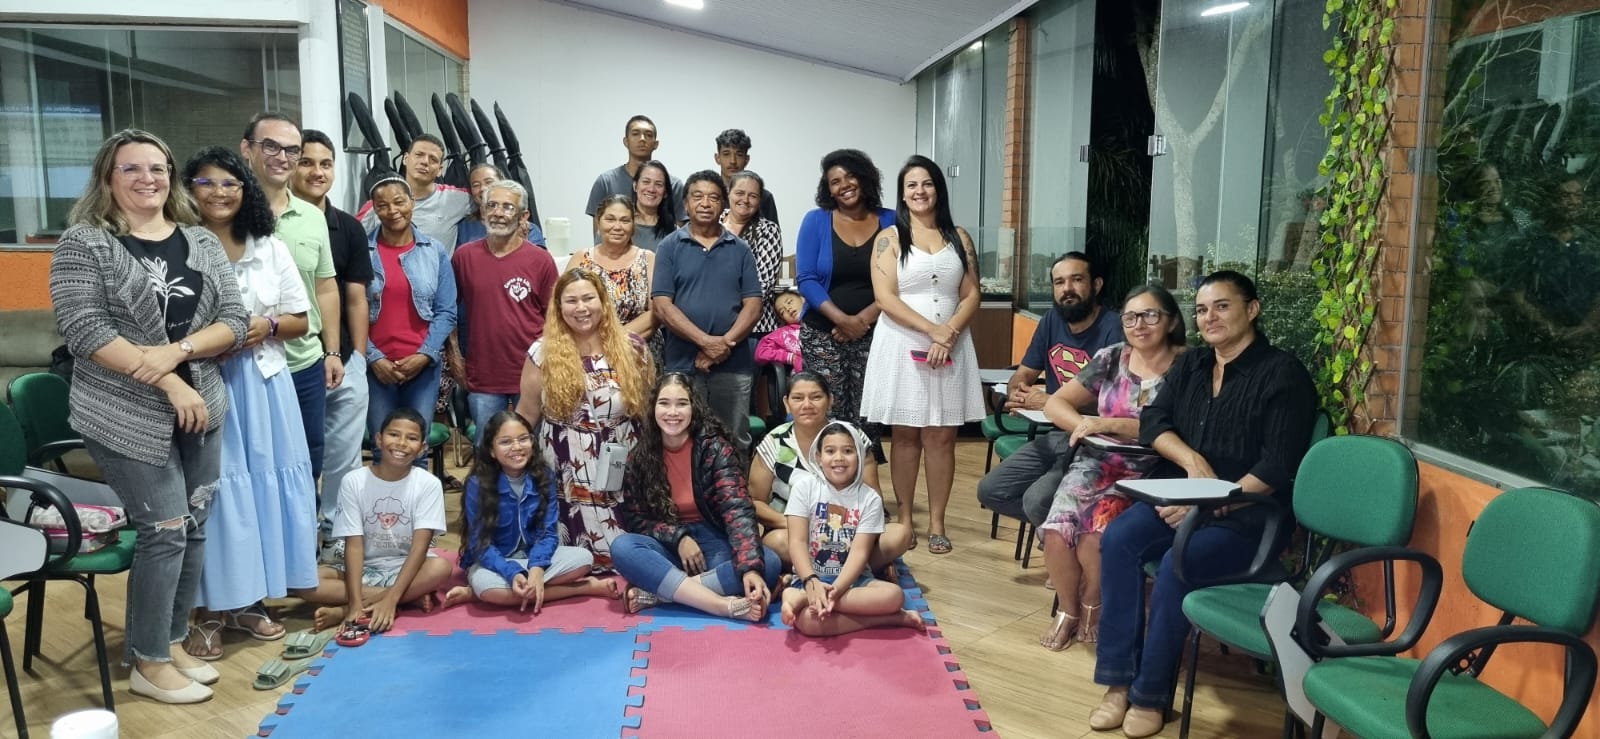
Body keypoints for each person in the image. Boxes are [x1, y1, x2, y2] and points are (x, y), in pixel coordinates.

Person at [49, 129, 249, 703]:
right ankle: (148, 661)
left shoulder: (199, 239)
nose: (147, 179)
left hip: (201, 405)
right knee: (163, 530)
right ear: (107, 178)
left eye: (158, 168)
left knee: (194, 525)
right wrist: (166, 378)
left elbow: (234, 320)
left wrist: (178, 353)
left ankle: (171, 639)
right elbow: (86, 331)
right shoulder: (84, 243)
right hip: (124, 413)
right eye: (131, 168)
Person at [1090, 271, 1316, 738]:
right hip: (1179, 497)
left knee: (1179, 562)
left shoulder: (1282, 373)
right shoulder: (1192, 364)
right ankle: (1118, 682)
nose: (1209, 317)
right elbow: (1154, 421)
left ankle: (1150, 695)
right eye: (1201, 309)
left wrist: (1208, 505)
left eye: (1222, 306)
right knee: (1118, 539)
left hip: (1248, 517)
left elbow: (1277, 465)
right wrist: (1191, 461)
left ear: (1252, 310)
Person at [180, 147, 316, 659]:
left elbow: (300, 320)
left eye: (230, 184)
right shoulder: (176, 245)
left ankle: (249, 601)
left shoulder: (269, 247)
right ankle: (207, 610)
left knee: (263, 495)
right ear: (188, 189)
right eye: (206, 183)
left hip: (264, 384)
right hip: (203, 383)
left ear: (246, 191)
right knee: (215, 495)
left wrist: (267, 326)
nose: (219, 193)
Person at [1036, 284, 1185, 652]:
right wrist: (1084, 426)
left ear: (1171, 321)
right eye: (1130, 317)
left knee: (1095, 536)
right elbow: (1055, 404)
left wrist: (1107, 423)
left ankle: (1093, 602)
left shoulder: (1188, 365)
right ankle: (1068, 610)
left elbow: (1174, 427)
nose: (1139, 325)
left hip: (1151, 469)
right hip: (1096, 461)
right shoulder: (1112, 356)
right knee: (1056, 530)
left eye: (1150, 315)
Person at [859, 156, 984, 554]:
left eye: (926, 183)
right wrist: (932, 330)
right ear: (902, 194)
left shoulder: (959, 237)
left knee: (942, 436)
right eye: (911, 185)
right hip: (902, 343)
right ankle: (904, 520)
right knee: (906, 435)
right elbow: (884, 298)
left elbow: (972, 293)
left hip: (951, 345)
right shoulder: (889, 238)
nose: (919, 191)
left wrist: (948, 333)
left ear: (938, 189)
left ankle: (938, 523)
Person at [515, 269, 655, 569]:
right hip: (566, 464)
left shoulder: (633, 348)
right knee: (574, 554)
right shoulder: (541, 354)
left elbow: (646, 411)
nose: (581, 308)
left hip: (621, 460)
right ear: (559, 307)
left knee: (628, 553)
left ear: (602, 301)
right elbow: (525, 415)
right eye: (571, 301)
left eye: (588, 298)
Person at [612, 374, 780, 621]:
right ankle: (720, 605)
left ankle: (661, 595)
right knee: (622, 548)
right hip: (669, 546)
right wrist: (679, 538)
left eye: (681, 403)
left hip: (713, 543)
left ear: (694, 408)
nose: (673, 412)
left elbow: (737, 510)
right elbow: (637, 520)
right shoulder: (641, 455)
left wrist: (750, 568)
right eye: (664, 403)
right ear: (653, 408)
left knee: (769, 562)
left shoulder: (715, 449)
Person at [975, 252, 1123, 531]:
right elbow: (1024, 373)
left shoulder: (1114, 329)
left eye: (1076, 280)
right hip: (1055, 433)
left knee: (1037, 501)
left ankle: (1066, 541)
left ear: (1096, 284)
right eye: (1059, 282)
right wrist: (1017, 391)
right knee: (991, 491)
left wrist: (1050, 402)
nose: (1067, 289)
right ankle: (1063, 534)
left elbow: (1113, 403)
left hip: (1095, 439)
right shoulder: (1051, 321)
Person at [241, 112, 340, 482]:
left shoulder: (312, 216)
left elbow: (325, 287)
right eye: (271, 146)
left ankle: (307, 521)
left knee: (308, 462)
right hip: (245, 365)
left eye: (291, 150)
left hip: (304, 363)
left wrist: (332, 351)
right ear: (247, 149)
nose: (282, 157)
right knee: (256, 465)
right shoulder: (226, 213)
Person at [294, 408, 454, 634]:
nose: (401, 443)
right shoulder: (354, 481)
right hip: (363, 569)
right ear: (378, 439)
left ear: (422, 448)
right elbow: (354, 545)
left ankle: (355, 607)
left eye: (411, 438)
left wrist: (377, 603)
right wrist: (355, 604)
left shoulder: (429, 484)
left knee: (441, 567)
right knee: (305, 583)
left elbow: (419, 548)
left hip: (407, 567)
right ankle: (408, 597)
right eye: (393, 434)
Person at [441, 411, 620, 610]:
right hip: (495, 562)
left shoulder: (543, 476)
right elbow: (479, 545)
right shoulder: (477, 484)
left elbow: (548, 533)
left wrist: (537, 567)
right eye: (506, 442)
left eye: (523, 439)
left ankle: (480, 594)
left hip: (531, 557)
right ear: (491, 450)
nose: (517, 447)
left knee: (584, 559)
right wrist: (512, 573)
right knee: (488, 587)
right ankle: (583, 588)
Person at [291, 129, 375, 544]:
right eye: (307, 162)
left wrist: (355, 354)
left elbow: (356, 298)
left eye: (325, 164)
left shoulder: (349, 228)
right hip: (295, 360)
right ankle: (301, 535)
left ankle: (335, 534)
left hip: (343, 360)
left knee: (344, 457)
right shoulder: (270, 226)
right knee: (299, 457)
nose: (317, 171)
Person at [751, 372, 909, 573]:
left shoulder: (853, 436)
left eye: (816, 397)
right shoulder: (773, 441)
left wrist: (851, 530)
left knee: (899, 534)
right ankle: (860, 570)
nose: (807, 404)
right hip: (795, 533)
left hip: (851, 533)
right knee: (777, 542)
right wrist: (798, 523)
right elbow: (755, 502)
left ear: (830, 400)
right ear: (786, 403)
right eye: (798, 398)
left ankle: (830, 572)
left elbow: (873, 495)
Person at [650, 170, 763, 449]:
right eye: (697, 196)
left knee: (733, 438)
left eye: (713, 197)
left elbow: (753, 305)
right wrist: (705, 342)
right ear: (685, 203)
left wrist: (722, 345)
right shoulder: (669, 247)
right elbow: (662, 305)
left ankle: (733, 481)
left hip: (733, 362)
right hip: (682, 363)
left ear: (722, 204)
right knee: (682, 438)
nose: (705, 203)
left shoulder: (739, 249)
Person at [780, 421, 925, 637]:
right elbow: (797, 542)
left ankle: (802, 599)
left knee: (894, 596)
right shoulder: (804, 488)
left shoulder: (869, 498)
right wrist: (811, 581)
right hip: (810, 578)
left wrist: (836, 591)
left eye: (848, 451)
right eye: (830, 451)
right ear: (818, 457)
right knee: (809, 623)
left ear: (859, 456)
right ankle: (893, 618)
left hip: (854, 582)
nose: (839, 458)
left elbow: (859, 552)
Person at [794, 149, 896, 452]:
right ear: (828, 189)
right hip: (822, 333)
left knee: (868, 412)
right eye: (835, 181)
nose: (844, 185)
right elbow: (806, 279)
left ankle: (865, 478)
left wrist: (862, 321)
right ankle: (823, 477)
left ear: (864, 178)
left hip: (876, 333)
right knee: (827, 410)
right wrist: (843, 321)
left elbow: (900, 278)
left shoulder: (891, 220)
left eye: (850, 176)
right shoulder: (816, 220)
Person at [449, 179, 559, 444]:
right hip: (483, 374)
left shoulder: (541, 260)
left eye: (507, 207)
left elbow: (555, 319)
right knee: (486, 448)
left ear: (523, 216)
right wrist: (454, 355)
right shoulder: (463, 257)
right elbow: (448, 309)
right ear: (482, 211)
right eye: (492, 205)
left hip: (532, 372)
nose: (498, 212)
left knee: (531, 447)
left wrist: (551, 363)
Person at [363, 175, 458, 448]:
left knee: (416, 448)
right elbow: (350, 311)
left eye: (399, 202)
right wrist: (374, 358)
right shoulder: (362, 251)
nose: (392, 211)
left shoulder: (434, 251)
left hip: (422, 368)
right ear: (374, 209)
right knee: (383, 448)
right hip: (376, 368)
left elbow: (446, 311)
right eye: (382, 205)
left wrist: (424, 354)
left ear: (412, 201)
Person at [565, 194, 657, 346]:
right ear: (598, 222)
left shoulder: (648, 259)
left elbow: (656, 312)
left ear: (633, 225)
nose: (617, 227)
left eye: (625, 220)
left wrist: (612, 342)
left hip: (638, 346)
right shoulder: (581, 258)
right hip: (588, 346)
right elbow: (564, 305)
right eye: (610, 219)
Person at [357, 134, 474, 251]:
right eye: (419, 155)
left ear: (439, 170)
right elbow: (352, 239)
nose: (425, 162)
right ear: (405, 159)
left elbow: (484, 197)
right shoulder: (378, 204)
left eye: (433, 159)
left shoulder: (456, 199)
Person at [587, 115, 684, 229]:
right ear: (626, 141)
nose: (642, 139)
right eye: (635, 133)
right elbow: (600, 234)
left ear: (655, 144)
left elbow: (682, 232)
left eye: (648, 135)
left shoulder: (673, 185)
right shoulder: (606, 182)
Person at [720, 170, 784, 341]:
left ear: (760, 200)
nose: (745, 200)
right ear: (728, 193)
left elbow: (762, 285)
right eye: (739, 193)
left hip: (755, 326)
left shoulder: (768, 230)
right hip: (709, 325)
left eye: (753, 196)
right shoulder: (712, 224)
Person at [456, 163, 547, 250]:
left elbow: (538, 259)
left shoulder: (527, 229)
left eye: (489, 182)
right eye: (476, 185)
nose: (483, 188)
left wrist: (521, 242)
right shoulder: (463, 227)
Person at [713, 128, 779, 226]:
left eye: (739, 155)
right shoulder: (709, 196)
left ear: (746, 159)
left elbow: (773, 232)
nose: (733, 161)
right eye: (726, 154)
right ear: (717, 158)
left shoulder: (764, 197)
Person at [629, 160, 678, 253]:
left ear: (665, 192)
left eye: (658, 184)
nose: (651, 189)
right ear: (635, 186)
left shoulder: (674, 232)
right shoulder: (619, 225)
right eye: (646, 182)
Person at [754, 291, 804, 372]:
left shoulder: (823, 315)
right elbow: (760, 353)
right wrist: (789, 357)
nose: (788, 309)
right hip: (806, 377)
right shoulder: (783, 333)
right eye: (782, 312)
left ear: (802, 299)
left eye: (789, 302)